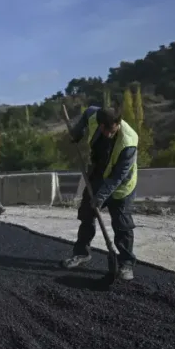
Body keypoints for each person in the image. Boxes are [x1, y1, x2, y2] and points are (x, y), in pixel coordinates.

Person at [61, 106, 138, 281]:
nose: (105, 133)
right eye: (102, 128)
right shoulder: (96, 116)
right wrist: (77, 131)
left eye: (109, 130)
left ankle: (126, 263)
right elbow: (87, 112)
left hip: (121, 185)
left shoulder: (129, 142)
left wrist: (101, 197)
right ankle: (82, 253)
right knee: (87, 215)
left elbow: (118, 176)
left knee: (122, 224)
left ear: (118, 123)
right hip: (97, 175)